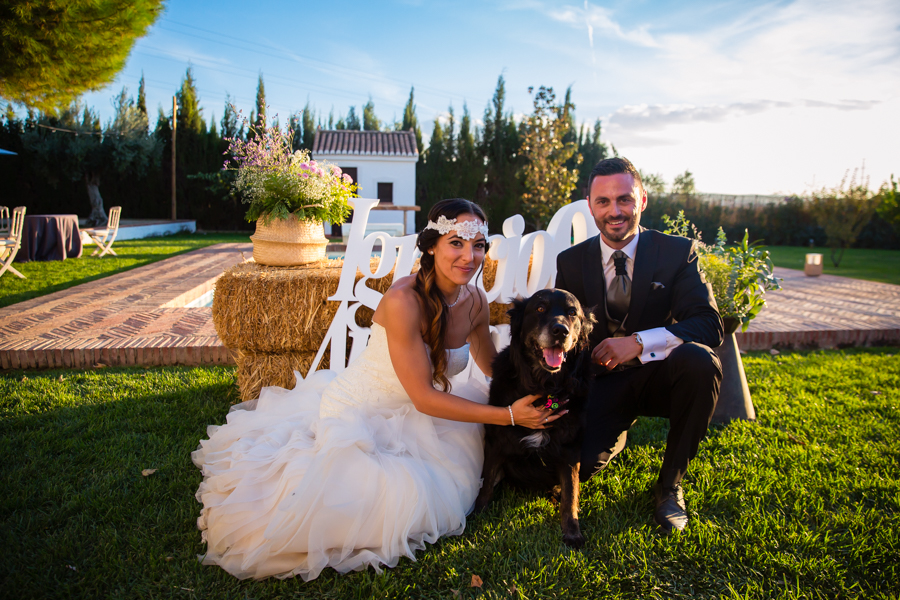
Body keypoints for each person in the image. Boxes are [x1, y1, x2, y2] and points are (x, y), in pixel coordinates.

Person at [193, 198, 563, 580]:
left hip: (428, 414)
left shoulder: (475, 299)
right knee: (377, 501)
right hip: (367, 413)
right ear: (431, 246)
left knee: (459, 474)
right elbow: (423, 396)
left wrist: (539, 379)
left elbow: (491, 367)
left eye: (479, 245)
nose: (469, 256)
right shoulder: (404, 301)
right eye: (457, 243)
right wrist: (508, 416)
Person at [555, 157, 724, 534]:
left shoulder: (677, 253)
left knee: (701, 361)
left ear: (642, 200)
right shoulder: (570, 261)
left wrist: (638, 342)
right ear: (590, 205)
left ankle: (669, 486)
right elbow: (564, 332)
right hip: (601, 384)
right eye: (603, 201)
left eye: (624, 199)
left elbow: (709, 324)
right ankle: (617, 429)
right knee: (565, 466)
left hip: (662, 378)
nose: (614, 211)